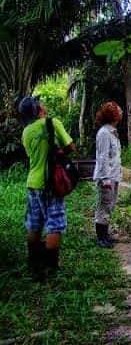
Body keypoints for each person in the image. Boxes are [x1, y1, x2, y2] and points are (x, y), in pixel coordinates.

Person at [19, 96, 75, 281]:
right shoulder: (52, 123)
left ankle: (34, 263)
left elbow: (32, 155)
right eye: (40, 103)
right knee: (55, 224)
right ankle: (51, 267)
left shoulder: (26, 132)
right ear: (38, 109)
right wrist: (59, 152)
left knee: (34, 223)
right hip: (51, 182)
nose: (43, 105)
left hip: (32, 183)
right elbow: (70, 146)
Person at [94, 101, 123, 248]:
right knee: (104, 206)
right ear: (113, 114)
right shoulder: (104, 133)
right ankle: (101, 238)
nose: (121, 112)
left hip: (113, 175)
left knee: (109, 205)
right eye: (119, 110)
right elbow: (103, 157)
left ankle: (105, 235)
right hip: (107, 177)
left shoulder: (112, 132)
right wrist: (105, 178)